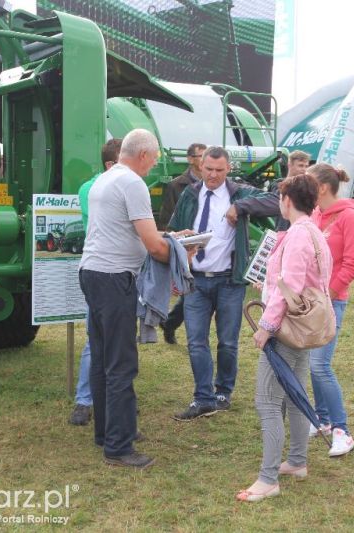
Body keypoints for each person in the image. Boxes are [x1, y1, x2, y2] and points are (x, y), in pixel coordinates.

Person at [79, 129, 173, 468]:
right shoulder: (133, 183)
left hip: (93, 273)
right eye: (154, 160)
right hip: (115, 277)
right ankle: (119, 447)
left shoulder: (106, 179)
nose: (153, 167)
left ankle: (107, 432)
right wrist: (178, 254)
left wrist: (172, 237)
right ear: (144, 155)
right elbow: (152, 245)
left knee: (104, 357)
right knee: (122, 364)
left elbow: (129, 229)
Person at [236, 173, 332, 503]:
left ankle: (268, 479)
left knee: (267, 401)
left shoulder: (297, 236)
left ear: (287, 201)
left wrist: (265, 327)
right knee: (294, 395)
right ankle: (297, 461)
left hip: (287, 329)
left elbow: (287, 290)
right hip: (305, 327)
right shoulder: (314, 232)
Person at [169, 146, 275, 420]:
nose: (213, 175)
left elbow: (277, 200)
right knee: (196, 341)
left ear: (228, 169)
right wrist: (180, 244)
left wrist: (240, 207)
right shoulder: (189, 195)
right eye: (208, 169)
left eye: (219, 170)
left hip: (229, 281)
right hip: (196, 282)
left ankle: (223, 392)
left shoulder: (240, 193)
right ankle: (202, 397)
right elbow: (172, 230)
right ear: (200, 167)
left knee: (227, 342)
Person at [306, 163, 354, 456]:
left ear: (323, 188)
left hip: (332, 301)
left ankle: (342, 430)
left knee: (320, 365)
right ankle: (322, 419)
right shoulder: (315, 214)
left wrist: (328, 294)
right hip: (313, 301)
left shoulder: (349, 218)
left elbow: (353, 265)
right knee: (313, 364)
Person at [68, 139, 122, 426]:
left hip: (120, 273)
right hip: (104, 274)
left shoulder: (103, 185)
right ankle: (85, 400)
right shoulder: (93, 188)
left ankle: (116, 400)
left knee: (119, 344)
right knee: (96, 341)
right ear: (111, 165)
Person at [160, 143, 207, 345]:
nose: (205, 159)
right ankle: (174, 326)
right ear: (190, 159)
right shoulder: (176, 185)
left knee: (193, 290)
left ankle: (170, 323)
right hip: (186, 245)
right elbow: (166, 219)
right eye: (201, 155)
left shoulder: (214, 183)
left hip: (206, 243)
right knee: (191, 289)